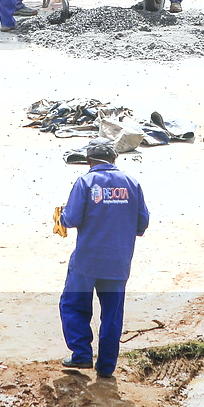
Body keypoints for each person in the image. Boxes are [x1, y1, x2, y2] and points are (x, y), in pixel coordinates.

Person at [57, 140, 149, 379]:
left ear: (88, 161)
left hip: (87, 260)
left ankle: (82, 354)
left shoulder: (85, 182)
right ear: (114, 159)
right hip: (118, 261)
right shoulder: (132, 183)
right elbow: (142, 224)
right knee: (112, 313)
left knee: (73, 305)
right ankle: (106, 367)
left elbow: (72, 218)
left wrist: (62, 217)